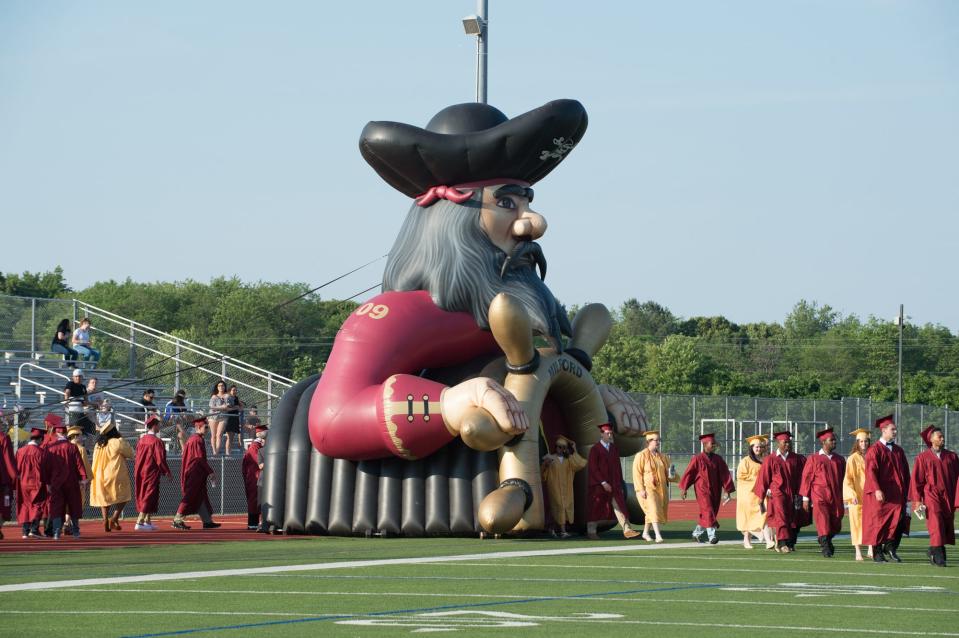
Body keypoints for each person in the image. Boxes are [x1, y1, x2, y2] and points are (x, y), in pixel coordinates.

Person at [306, 100, 647, 462]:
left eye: (526, 203)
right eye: (506, 204)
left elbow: (531, 396)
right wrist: (447, 405)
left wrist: (592, 403)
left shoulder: (518, 318)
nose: (533, 223)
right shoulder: (392, 317)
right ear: (455, 217)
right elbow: (331, 420)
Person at [862, 414, 911, 563]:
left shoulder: (898, 450)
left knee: (899, 521)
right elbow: (870, 471)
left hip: (896, 495)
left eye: (895, 430)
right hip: (880, 495)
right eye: (892, 430)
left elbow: (906, 473)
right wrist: (876, 489)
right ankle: (877, 553)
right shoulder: (874, 450)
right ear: (883, 430)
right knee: (878, 523)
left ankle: (890, 548)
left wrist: (908, 493)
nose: (895, 432)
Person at [910, 425, 958, 567]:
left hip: (948, 495)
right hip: (931, 495)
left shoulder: (952, 457)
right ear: (931, 439)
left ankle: (933, 550)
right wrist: (917, 500)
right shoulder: (922, 458)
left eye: (942, 436)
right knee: (935, 523)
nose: (943, 439)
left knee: (945, 524)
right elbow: (917, 481)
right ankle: (938, 555)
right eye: (939, 437)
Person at [753, 430, 806, 553]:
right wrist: (761, 495)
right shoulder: (770, 459)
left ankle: (789, 542)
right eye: (785, 442)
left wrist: (802, 493)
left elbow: (801, 476)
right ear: (778, 443)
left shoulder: (795, 458)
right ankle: (782, 543)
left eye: (789, 442)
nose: (788, 444)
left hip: (792, 493)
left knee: (791, 518)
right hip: (778, 492)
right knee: (781, 517)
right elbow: (763, 478)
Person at [586, 424, 641, 540]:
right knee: (596, 507)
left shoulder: (614, 449)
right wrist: (603, 482)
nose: (610, 435)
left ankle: (627, 530)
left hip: (614, 484)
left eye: (611, 433)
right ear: (601, 434)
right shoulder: (595, 449)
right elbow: (593, 468)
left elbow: (617, 467)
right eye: (607, 433)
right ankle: (591, 531)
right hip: (599, 485)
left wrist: (620, 482)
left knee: (620, 505)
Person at [680, 432, 735, 545]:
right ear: (705, 444)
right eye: (712, 443)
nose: (714, 445)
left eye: (714, 444)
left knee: (709, 513)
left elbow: (724, 475)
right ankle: (712, 537)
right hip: (702, 489)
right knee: (708, 511)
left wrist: (727, 490)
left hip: (715, 489)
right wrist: (684, 488)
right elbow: (689, 473)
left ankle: (696, 534)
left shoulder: (718, 459)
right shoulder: (697, 458)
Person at [800, 427, 846, 558]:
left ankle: (825, 538)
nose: (835, 442)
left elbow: (844, 478)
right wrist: (805, 498)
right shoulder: (814, 458)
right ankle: (825, 545)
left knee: (836, 521)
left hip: (836, 495)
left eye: (835, 440)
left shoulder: (839, 460)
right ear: (823, 442)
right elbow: (806, 478)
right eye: (832, 440)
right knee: (822, 519)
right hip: (819, 494)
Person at [41, 415, 88, 539]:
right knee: (74, 506)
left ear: (56, 433)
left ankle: (56, 533)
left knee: (56, 507)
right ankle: (76, 532)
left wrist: (47, 482)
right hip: (71, 481)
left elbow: (45, 467)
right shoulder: (72, 447)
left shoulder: (50, 448)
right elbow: (79, 464)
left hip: (56, 482)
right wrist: (83, 479)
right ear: (66, 433)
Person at [172, 416, 220, 530]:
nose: (207, 429)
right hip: (194, 473)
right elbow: (199, 458)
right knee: (190, 496)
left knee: (201, 496)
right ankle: (177, 519)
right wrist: (210, 471)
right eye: (206, 427)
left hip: (196, 472)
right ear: (199, 427)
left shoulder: (196, 439)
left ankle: (207, 521)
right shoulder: (196, 440)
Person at [90, 416, 134, 532]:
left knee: (104, 498)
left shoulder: (98, 445)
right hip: (115, 473)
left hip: (100, 475)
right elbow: (131, 453)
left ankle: (105, 519)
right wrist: (122, 439)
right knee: (124, 496)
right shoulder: (117, 442)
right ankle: (114, 518)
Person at [632, 430, 677, 543]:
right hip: (647, 489)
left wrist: (673, 475)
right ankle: (658, 535)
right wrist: (640, 489)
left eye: (659, 440)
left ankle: (645, 532)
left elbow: (669, 474)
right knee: (653, 509)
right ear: (649, 442)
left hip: (661, 488)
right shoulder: (641, 456)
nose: (658, 442)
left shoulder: (663, 457)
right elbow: (636, 474)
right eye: (656, 440)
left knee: (651, 512)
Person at [540, 435, 586, 538]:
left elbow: (580, 464)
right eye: (559, 447)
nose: (561, 449)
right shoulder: (550, 458)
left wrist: (575, 449)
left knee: (564, 508)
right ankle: (563, 531)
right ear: (555, 447)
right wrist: (545, 465)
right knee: (558, 507)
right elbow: (543, 474)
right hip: (554, 487)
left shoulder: (569, 459)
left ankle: (552, 529)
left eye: (563, 447)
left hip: (567, 487)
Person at [134, 414, 172, 531]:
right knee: (149, 495)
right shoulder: (157, 441)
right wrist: (167, 472)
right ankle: (139, 521)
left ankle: (147, 521)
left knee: (145, 494)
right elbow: (160, 459)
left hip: (140, 470)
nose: (160, 426)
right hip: (151, 471)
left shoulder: (141, 440)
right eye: (158, 424)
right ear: (154, 426)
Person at [736, 434, 772, 549]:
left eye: (760, 447)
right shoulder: (745, 461)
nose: (758, 449)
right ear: (751, 448)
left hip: (761, 494)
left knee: (764, 515)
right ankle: (747, 540)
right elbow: (741, 477)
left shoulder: (765, 460)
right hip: (748, 495)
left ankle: (768, 541)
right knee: (749, 517)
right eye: (756, 447)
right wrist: (757, 480)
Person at [16, 424, 52, 538]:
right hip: (37, 483)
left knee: (25, 506)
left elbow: (16, 467)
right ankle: (34, 529)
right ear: (40, 439)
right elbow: (45, 470)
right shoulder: (41, 452)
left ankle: (25, 532)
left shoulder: (20, 451)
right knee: (38, 505)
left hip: (23, 483)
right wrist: (48, 483)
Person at [843, 427, 872, 561]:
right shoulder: (852, 459)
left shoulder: (873, 456)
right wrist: (851, 494)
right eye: (861, 442)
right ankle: (858, 551)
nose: (864, 444)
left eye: (866, 441)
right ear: (857, 443)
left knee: (871, 522)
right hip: (856, 496)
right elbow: (848, 479)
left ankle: (871, 547)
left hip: (870, 495)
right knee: (855, 523)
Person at [64, 425, 92, 536]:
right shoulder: (81, 449)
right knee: (77, 504)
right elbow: (84, 465)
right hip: (78, 482)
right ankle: (71, 525)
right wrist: (86, 480)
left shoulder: (65, 447)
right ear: (75, 436)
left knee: (67, 504)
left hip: (66, 481)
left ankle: (66, 523)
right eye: (80, 435)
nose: (82, 438)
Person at [242, 424, 269, 530]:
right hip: (254, 477)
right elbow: (258, 462)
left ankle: (256, 523)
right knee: (255, 500)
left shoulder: (259, 446)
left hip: (257, 476)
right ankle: (252, 523)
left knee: (258, 500)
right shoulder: (255, 446)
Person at [0, 419, 17, 539]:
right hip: (2, 480)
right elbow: (8, 460)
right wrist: (15, 476)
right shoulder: (3, 438)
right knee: (4, 505)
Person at [208, 381, 229, 456]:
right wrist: (221, 407)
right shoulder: (214, 396)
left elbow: (226, 407)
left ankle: (217, 452)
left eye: (222, 385)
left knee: (219, 434)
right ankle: (214, 451)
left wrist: (219, 408)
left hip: (223, 417)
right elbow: (211, 407)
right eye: (219, 386)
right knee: (213, 435)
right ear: (217, 387)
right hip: (213, 416)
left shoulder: (227, 396)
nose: (221, 387)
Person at [224, 385, 243, 456]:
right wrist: (236, 407)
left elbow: (241, 407)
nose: (235, 391)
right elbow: (228, 407)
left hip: (235, 418)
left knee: (232, 438)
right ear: (230, 391)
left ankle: (229, 453)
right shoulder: (228, 397)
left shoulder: (236, 398)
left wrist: (239, 405)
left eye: (236, 390)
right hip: (229, 418)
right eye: (233, 390)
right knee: (229, 437)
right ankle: (227, 453)